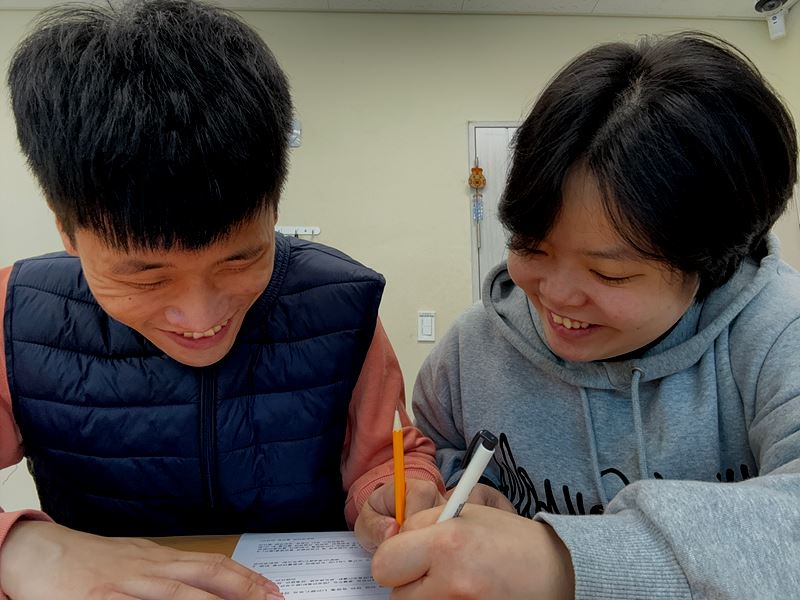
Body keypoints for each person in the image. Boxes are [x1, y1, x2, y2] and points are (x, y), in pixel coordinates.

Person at [0, 1, 444, 598]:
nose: (201, 318)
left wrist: (390, 492)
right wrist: (23, 548)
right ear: (67, 230)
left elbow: (384, 459)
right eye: (146, 277)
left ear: (274, 210)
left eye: (240, 259)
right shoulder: (16, 314)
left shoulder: (339, 303)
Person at [356, 32, 800, 598]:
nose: (556, 297)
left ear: (712, 262)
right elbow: (438, 453)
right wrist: (448, 494)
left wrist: (564, 562)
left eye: (608, 273)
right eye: (531, 248)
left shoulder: (779, 333)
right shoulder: (474, 349)